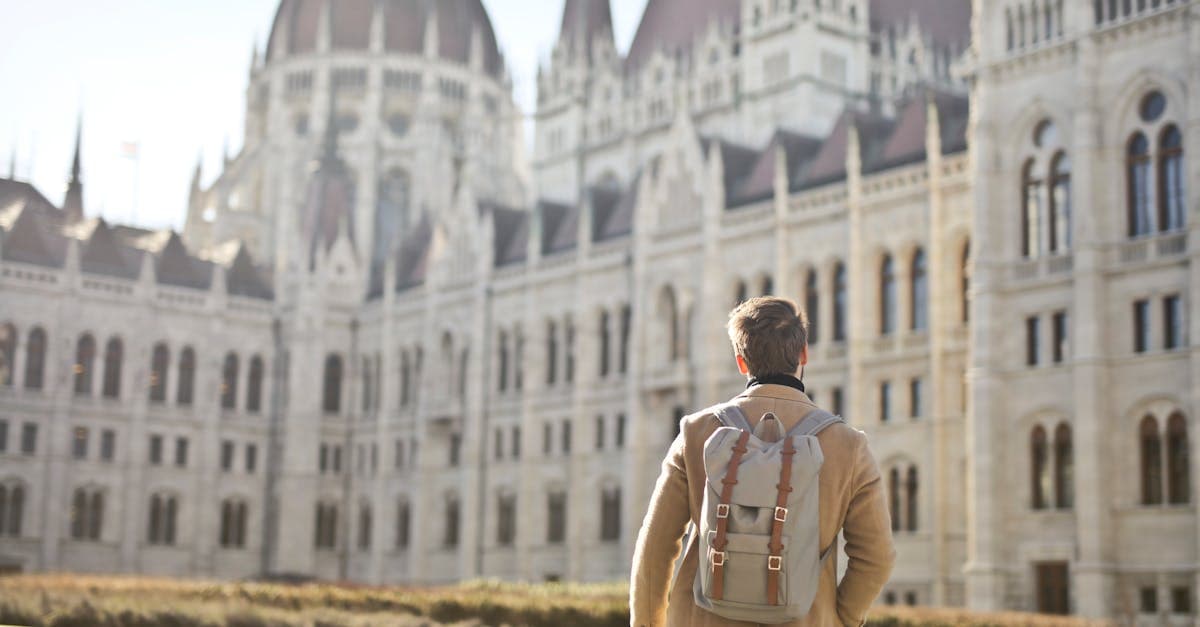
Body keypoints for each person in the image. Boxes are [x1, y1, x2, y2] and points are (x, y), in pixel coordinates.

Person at [630, 296, 895, 627]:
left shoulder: (696, 433)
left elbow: (655, 550)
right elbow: (877, 557)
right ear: (803, 355)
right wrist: (839, 617)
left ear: (741, 362)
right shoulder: (848, 446)